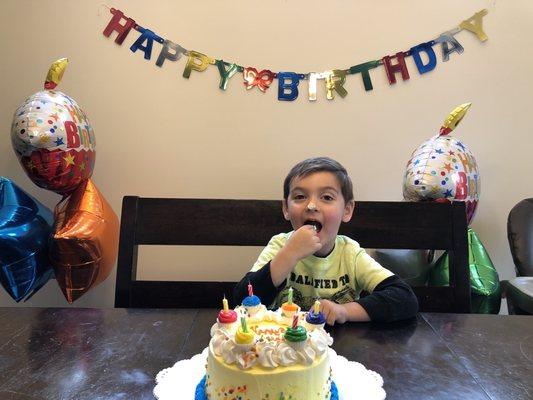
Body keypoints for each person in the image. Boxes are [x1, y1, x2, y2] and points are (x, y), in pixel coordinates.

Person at [233, 156, 418, 325]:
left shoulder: (350, 254)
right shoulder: (280, 246)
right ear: (286, 209)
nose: (312, 206)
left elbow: (404, 298)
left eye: (327, 197)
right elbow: (242, 299)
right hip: (283, 345)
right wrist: (289, 254)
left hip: (340, 347)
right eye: (300, 197)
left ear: (347, 210)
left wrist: (343, 311)